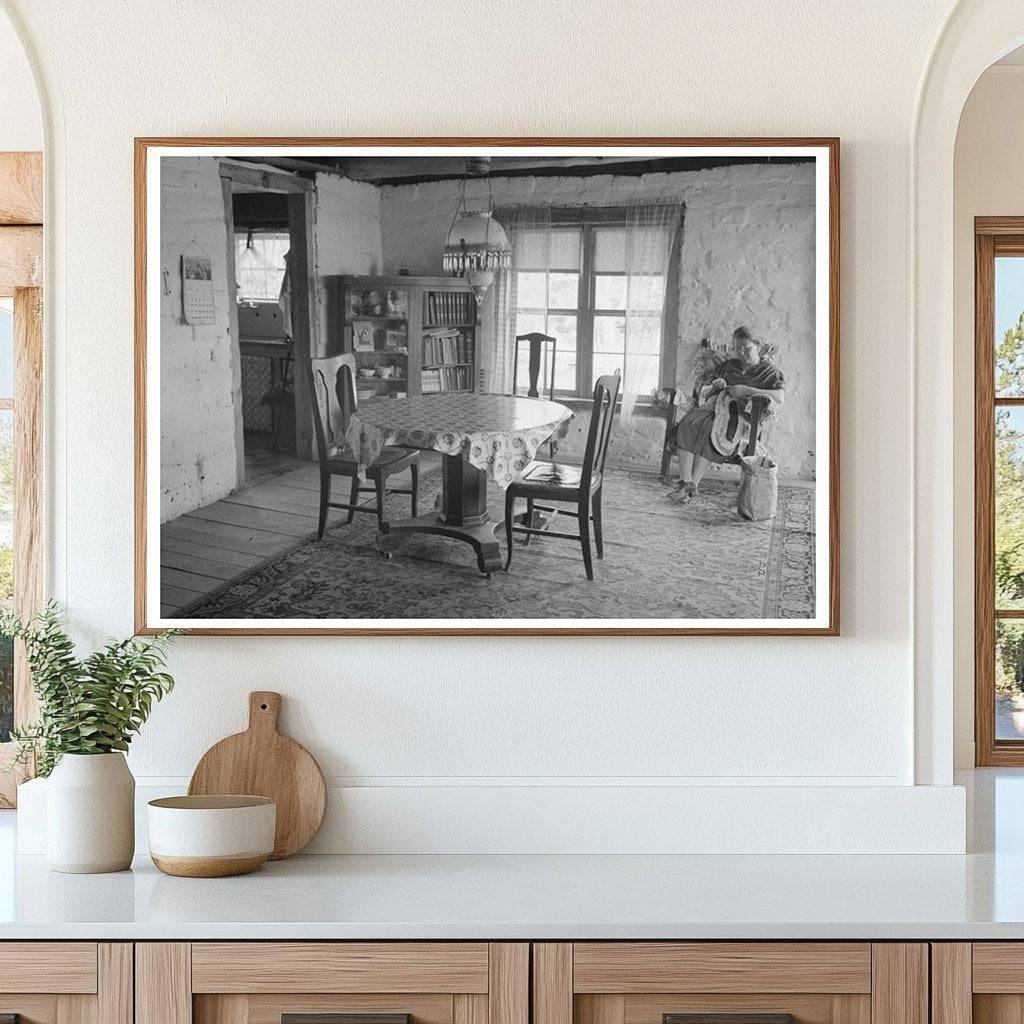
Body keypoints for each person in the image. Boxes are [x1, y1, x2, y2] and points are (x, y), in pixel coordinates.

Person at [668, 327, 785, 504]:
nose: (742, 353)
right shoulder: (729, 365)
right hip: (715, 406)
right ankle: (686, 483)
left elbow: (779, 396)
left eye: (747, 348)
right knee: (688, 422)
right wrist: (717, 384)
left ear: (757, 346)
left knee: (709, 428)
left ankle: (692, 486)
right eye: (738, 349)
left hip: (741, 414)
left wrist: (747, 390)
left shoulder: (769, 371)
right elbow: (705, 390)